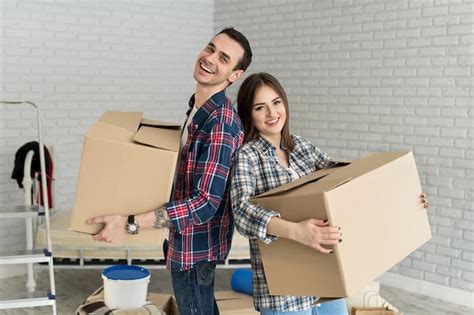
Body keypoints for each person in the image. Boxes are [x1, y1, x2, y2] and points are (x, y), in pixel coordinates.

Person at [230, 73, 429, 315]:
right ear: (248, 114)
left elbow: (344, 182)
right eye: (260, 108)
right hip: (284, 290)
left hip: (325, 277)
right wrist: (296, 231)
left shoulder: (301, 146)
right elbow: (241, 212)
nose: (272, 113)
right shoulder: (246, 156)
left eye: (276, 102)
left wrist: (404, 196)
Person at [88, 27, 252, 315]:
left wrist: (130, 222)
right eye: (210, 48)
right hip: (182, 242)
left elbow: (205, 203)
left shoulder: (221, 123)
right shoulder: (197, 110)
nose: (210, 58)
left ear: (234, 75)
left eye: (223, 58)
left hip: (195, 248)